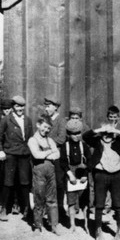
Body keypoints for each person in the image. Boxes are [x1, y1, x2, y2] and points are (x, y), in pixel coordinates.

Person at [82, 123, 120, 240]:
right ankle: (98, 230)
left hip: (116, 175)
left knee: (118, 203)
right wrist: (101, 129)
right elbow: (86, 136)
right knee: (99, 204)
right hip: (101, 174)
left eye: (110, 134)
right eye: (105, 133)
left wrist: (115, 130)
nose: (107, 136)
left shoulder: (118, 142)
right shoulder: (98, 142)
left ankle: (119, 231)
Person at [0, 95, 33, 222]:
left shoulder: (27, 120)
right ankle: (4, 208)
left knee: (25, 182)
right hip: (10, 154)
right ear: (13, 107)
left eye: (22, 106)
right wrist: (0, 151)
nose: (20, 108)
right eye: (17, 106)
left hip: (24, 155)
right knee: (8, 182)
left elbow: (31, 138)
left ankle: (27, 208)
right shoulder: (6, 119)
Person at [28, 115, 61, 234]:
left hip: (51, 171)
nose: (46, 130)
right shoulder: (32, 140)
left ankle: (53, 225)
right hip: (39, 172)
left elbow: (57, 155)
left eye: (48, 129)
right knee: (39, 198)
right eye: (45, 127)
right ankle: (37, 225)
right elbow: (37, 155)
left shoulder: (50, 140)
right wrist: (50, 151)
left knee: (52, 199)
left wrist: (47, 153)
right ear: (38, 125)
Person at [61, 118, 91, 234]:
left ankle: (86, 223)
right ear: (68, 134)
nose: (76, 136)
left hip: (82, 173)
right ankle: (72, 224)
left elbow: (89, 160)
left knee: (84, 201)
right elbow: (63, 162)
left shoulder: (84, 145)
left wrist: (85, 175)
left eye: (78, 133)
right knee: (71, 201)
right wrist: (69, 174)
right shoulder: (65, 146)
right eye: (73, 134)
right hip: (71, 174)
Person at [44, 96, 68, 224]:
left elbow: (61, 138)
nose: (46, 108)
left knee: (59, 182)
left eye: (48, 106)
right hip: (46, 155)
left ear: (55, 107)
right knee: (47, 182)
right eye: (45, 106)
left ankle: (59, 208)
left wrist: (47, 143)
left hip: (57, 156)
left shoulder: (61, 120)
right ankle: (48, 210)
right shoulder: (45, 119)